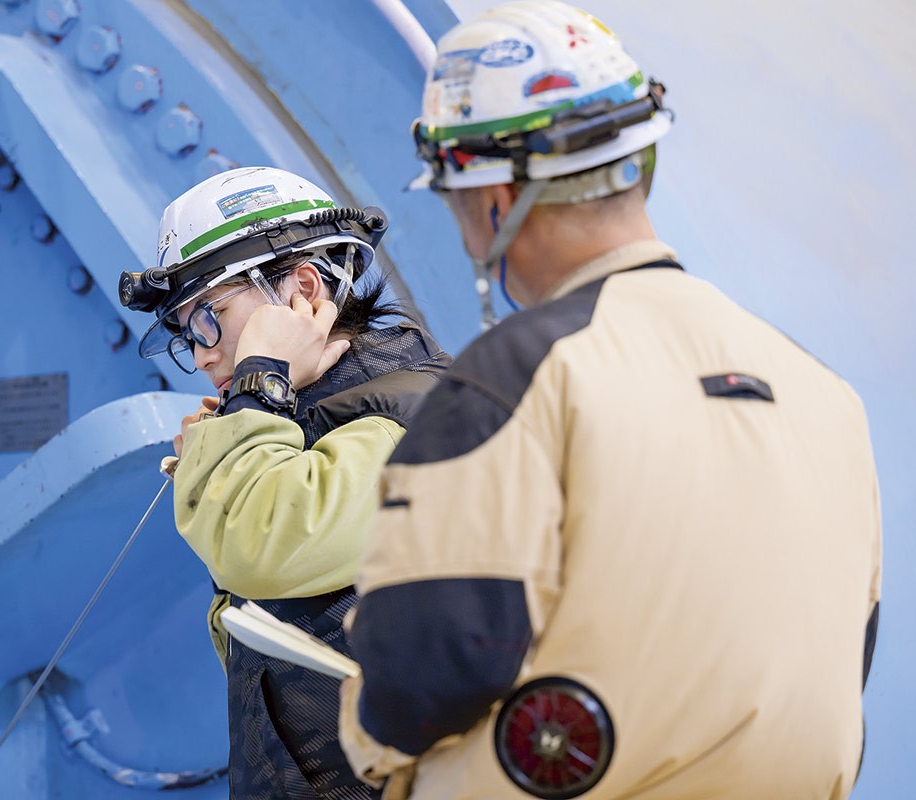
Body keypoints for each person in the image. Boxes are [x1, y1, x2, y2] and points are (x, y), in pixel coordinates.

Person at [337, 3, 882, 799]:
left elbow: (427, 662)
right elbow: (846, 652)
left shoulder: (517, 376)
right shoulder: (825, 392)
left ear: (493, 199)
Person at [118, 166, 451, 800]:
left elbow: (258, 542)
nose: (204, 354)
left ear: (301, 288)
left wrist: (260, 381)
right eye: (188, 336)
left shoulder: (405, 419)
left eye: (210, 316)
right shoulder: (312, 425)